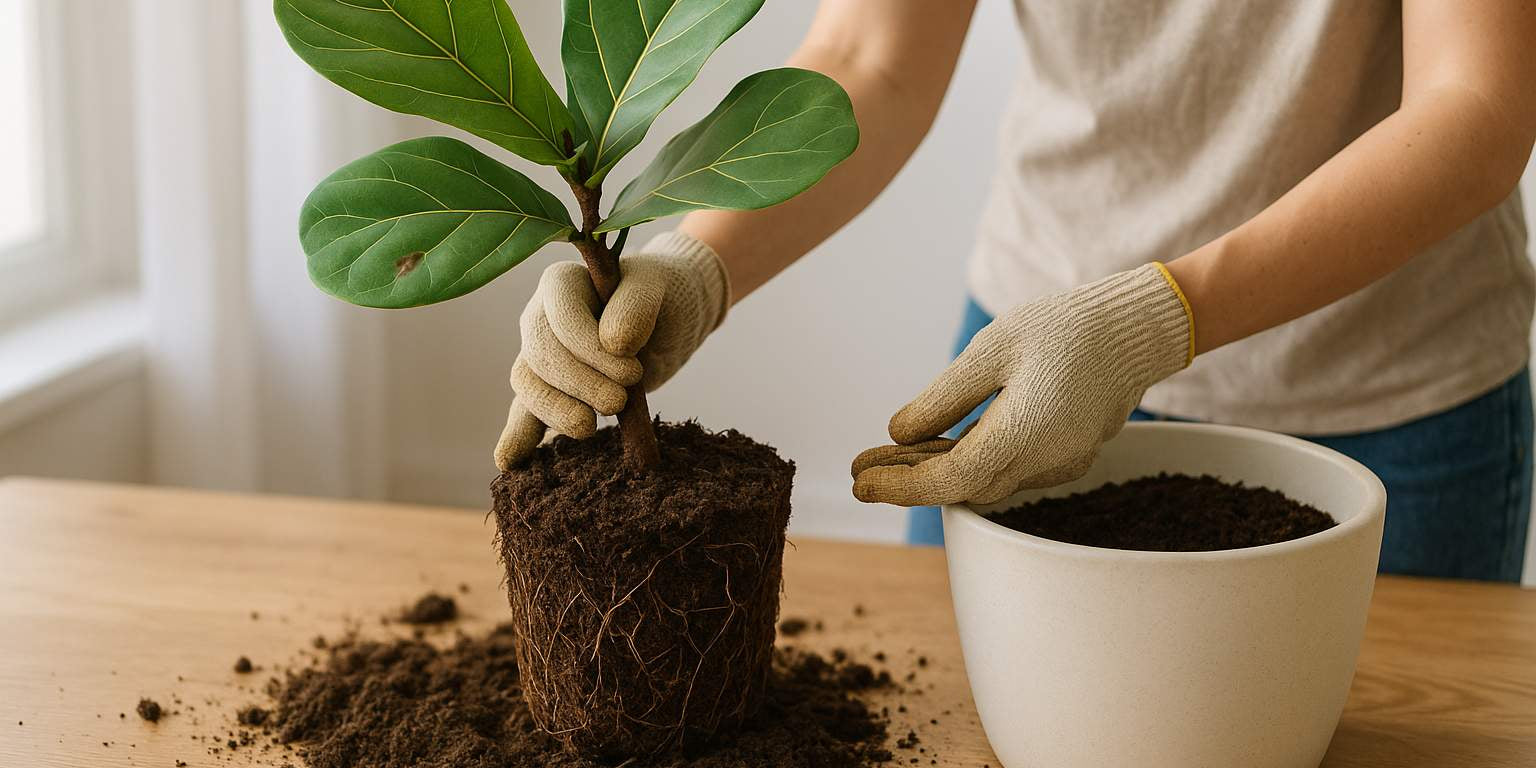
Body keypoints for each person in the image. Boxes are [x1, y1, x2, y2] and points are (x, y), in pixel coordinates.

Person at [495, 0, 1536, 582]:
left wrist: (1154, 318)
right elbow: (873, 55)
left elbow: (1476, 106)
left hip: (1381, 392)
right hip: (1031, 365)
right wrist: (699, 263)